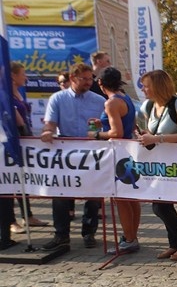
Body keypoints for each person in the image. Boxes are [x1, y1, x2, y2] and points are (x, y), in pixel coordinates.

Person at [40, 62, 106, 251]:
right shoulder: (58, 98)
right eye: (84, 79)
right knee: (60, 194)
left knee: (93, 194)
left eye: (90, 79)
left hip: (90, 153)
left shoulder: (99, 100)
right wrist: (48, 131)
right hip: (65, 153)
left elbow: (105, 125)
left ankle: (89, 232)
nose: (88, 82)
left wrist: (100, 130)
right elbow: (50, 123)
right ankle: (61, 235)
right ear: (72, 78)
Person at [137, 69, 177, 261]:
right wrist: (145, 136)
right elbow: (150, 130)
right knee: (163, 205)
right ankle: (175, 244)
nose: (143, 89)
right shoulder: (148, 106)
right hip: (159, 163)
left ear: (158, 86)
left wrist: (156, 138)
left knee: (160, 207)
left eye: (146, 86)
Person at [92, 67, 141, 254]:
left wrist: (96, 134)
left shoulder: (111, 102)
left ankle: (129, 238)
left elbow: (116, 132)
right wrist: (103, 122)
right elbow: (129, 123)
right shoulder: (125, 97)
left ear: (100, 83)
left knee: (120, 198)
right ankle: (132, 236)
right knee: (131, 198)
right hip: (128, 152)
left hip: (117, 153)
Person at [8, 62, 48, 235]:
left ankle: (28, 215)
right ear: (13, 76)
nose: (26, 77)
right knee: (10, 181)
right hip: (12, 140)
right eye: (23, 74)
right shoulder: (5, 94)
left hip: (24, 138)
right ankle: (11, 221)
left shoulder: (19, 91)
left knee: (22, 180)